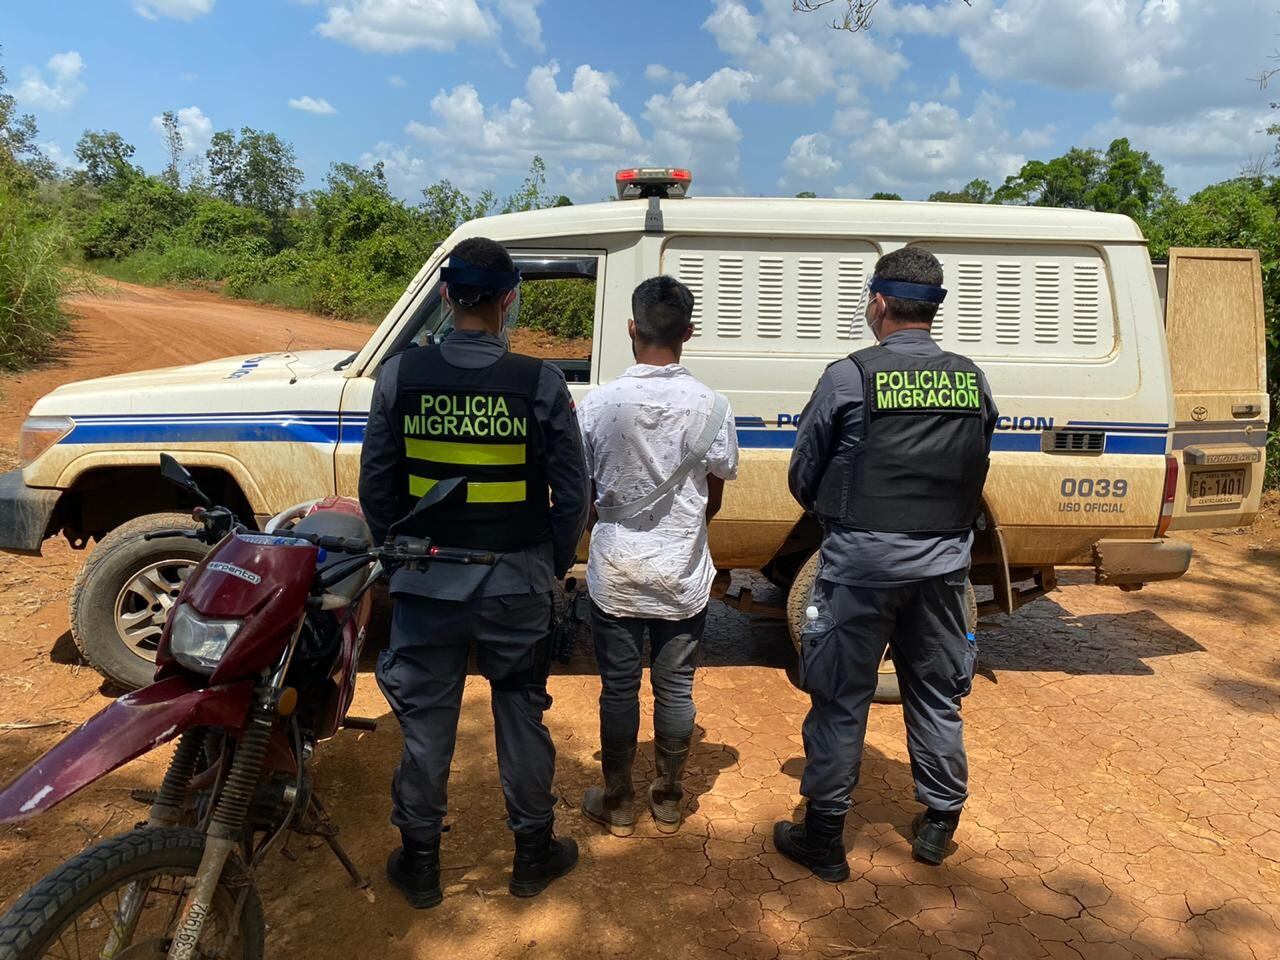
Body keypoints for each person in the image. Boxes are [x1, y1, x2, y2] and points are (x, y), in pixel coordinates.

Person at [359, 237, 590, 906]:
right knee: (521, 713)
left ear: (444, 297)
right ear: (508, 300)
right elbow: (571, 495)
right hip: (514, 583)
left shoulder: (400, 376)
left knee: (428, 727)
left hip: (427, 582)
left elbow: (377, 486)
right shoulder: (539, 383)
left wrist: (398, 554)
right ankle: (532, 855)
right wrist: (545, 565)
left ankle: (422, 865)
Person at [775, 247, 998, 881]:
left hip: (857, 567)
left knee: (841, 698)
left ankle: (823, 839)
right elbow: (977, 461)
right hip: (944, 572)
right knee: (935, 695)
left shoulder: (849, 376)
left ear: (877, 302)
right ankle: (937, 823)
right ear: (935, 307)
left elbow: (803, 474)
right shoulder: (970, 378)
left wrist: (842, 515)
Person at [577, 276, 739, 837]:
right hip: (682, 573)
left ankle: (617, 802)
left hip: (616, 573)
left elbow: (585, 491)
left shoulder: (598, 404)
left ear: (631, 328)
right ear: (688, 333)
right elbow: (713, 494)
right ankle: (668, 798)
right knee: (676, 688)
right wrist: (683, 531)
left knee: (618, 688)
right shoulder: (715, 407)